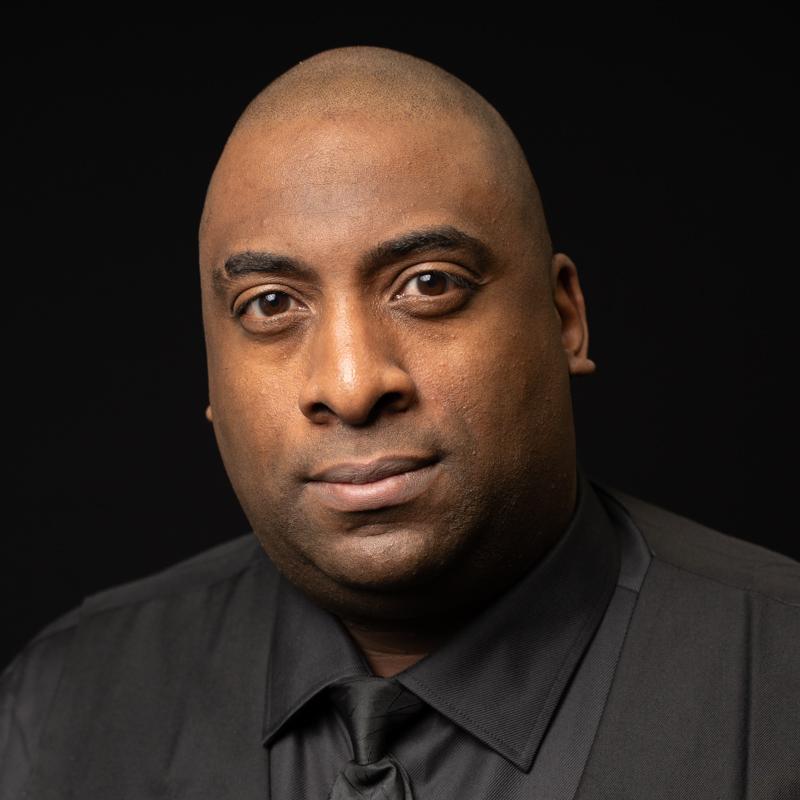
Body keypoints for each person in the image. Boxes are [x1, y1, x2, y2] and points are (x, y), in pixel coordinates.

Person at [1, 45, 798, 800]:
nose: (351, 387)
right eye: (270, 304)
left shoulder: (778, 682)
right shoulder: (56, 706)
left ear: (565, 320)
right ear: (210, 370)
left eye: (428, 284)